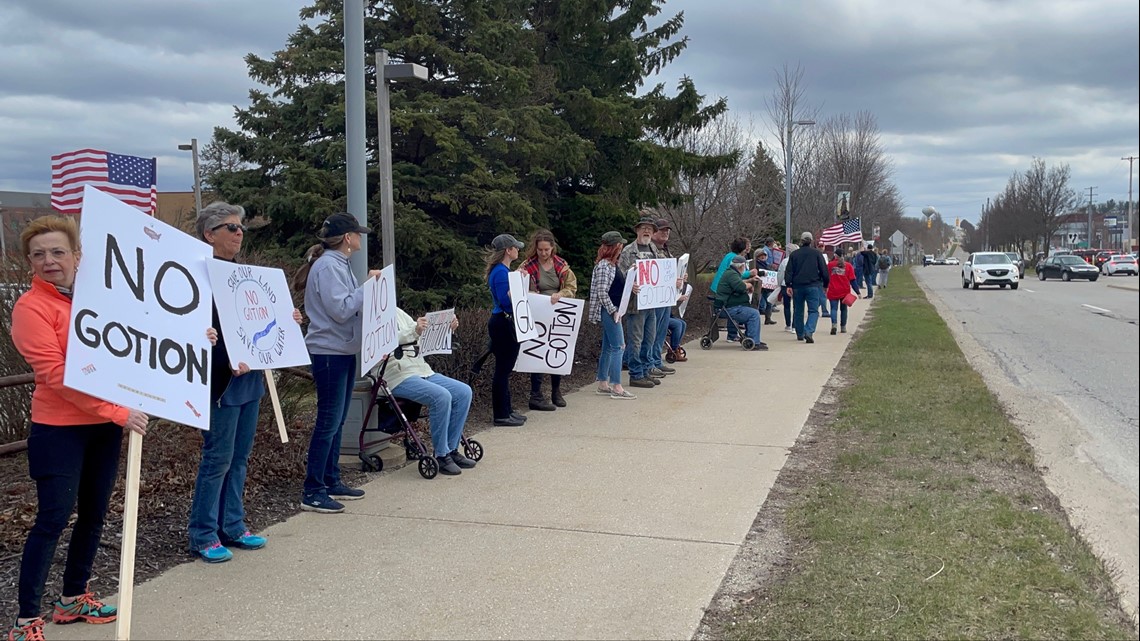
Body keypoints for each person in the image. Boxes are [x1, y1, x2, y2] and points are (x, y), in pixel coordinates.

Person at [8, 216, 210, 641]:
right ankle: (25, 620)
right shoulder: (32, 308)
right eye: (40, 254)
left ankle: (72, 599)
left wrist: (196, 336)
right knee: (53, 518)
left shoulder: (100, 298)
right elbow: (57, 376)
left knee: (95, 515)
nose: (50, 261)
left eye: (58, 252)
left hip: (104, 426)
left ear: (77, 256)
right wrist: (117, 410)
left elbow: (148, 332)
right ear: (29, 261)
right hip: (60, 429)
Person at [187, 203, 304, 563]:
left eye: (241, 229)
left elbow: (256, 321)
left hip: (250, 379)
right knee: (217, 459)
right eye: (231, 228)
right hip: (221, 382)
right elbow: (193, 334)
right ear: (210, 234)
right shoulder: (196, 277)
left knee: (239, 458)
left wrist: (289, 319)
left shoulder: (244, 276)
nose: (239, 234)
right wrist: (225, 359)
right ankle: (203, 533)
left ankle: (233, 525)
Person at [297, 212, 380, 515]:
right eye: (357, 233)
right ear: (348, 238)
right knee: (328, 421)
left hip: (339, 350)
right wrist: (368, 287)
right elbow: (342, 309)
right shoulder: (330, 266)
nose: (361, 237)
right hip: (328, 351)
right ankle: (313, 489)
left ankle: (330, 479)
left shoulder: (336, 264)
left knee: (337, 420)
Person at [386, 308, 476, 476]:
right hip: (395, 374)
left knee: (464, 392)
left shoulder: (396, 311)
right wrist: (414, 330)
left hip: (420, 370)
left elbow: (421, 335)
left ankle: (451, 449)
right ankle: (441, 455)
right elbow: (384, 342)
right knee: (441, 396)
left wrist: (445, 329)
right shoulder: (368, 315)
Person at [519, 229, 578, 411]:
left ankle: (556, 391)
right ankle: (536, 393)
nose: (543, 253)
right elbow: (519, 288)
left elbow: (571, 288)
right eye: (540, 250)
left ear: (552, 248)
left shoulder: (562, 266)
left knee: (557, 350)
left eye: (547, 250)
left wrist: (560, 294)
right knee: (537, 352)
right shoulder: (527, 265)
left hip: (557, 313)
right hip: (537, 314)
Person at [587, 231, 637, 399]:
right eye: (620, 245)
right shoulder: (604, 266)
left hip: (615, 309)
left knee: (609, 347)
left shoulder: (613, 265)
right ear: (615, 246)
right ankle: (617, 385)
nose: (622, 247)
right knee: (619, 346)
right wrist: (613, 310)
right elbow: (602, 292)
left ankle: (602, 382)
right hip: (610, 310)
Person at [618, 215, 665, 388]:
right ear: (637, 230)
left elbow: (661, 275)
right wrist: (630, 285)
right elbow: (621, 275)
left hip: (651, 304)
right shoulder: (628, 251)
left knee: (649, 339)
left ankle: (646, 370)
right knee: (636, 340)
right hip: (635, 305)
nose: (646, 231)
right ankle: (636, 374)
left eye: (649, 228)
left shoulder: (654, 250)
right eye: (643, 228)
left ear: (653, 232)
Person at [486, 233, 528, 426]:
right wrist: (516, 291)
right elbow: (505, 300)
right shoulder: (501, 273)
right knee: (502, 370)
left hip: (503, 321)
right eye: (515, 247)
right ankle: (501, 414)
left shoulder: (502, 271)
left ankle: (507, 409)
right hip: (503, 322)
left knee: (505, 369)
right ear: (507, 251)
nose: (518, 250)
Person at [645, 218, 680, 378]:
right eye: (662, 230)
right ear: (654, 233)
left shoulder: (666, 250)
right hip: (654, 297)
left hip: (666, 297)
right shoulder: (648, 249)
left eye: (667, 230)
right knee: (652, 331)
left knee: (660, 331)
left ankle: (657, 360)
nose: (665, 232)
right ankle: (649, 362)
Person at [786, 231, 829, 344]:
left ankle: (800, 333)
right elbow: (824, 270)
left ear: (801, 241)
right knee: (813, 311)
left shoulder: (794, 255)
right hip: (813, 285)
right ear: (811, 241)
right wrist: (825, 285)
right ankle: (809, 331)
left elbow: (789, 271)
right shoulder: (816, 254)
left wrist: (788, 285)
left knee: (798, 310)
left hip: (797, 286)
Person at [715, 255, 766, 350]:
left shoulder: (731, 273)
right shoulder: (732, 274)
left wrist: (749, 280)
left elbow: (738, 282)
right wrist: (750, 284)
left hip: (728, 306)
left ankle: (752, 339)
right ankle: (753, 341)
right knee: (754, 314)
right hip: (729, 308)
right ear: (741, 266)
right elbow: (740, 287)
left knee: (751, 310)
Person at [710, 237, 752, 342]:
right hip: (723, 289)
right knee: (733, 305)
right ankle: (732, 334)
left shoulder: (729, 255)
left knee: (732, 306)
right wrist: (750, 274)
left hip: (719, 286)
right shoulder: (735, 258)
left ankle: (733, 334)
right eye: (747, 245)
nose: (749, 248)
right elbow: (736, 274)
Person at [826, 248, 856, 335]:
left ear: (835, 255)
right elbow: (852, 280)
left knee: (833, 308)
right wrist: (857, 291)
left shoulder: (830, 265)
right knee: (844, 309)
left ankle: (834, 325)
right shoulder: (848, 266)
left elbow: (826, 277)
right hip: (845, 291)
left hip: (833, 290)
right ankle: (843, 327)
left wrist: (825, 287)